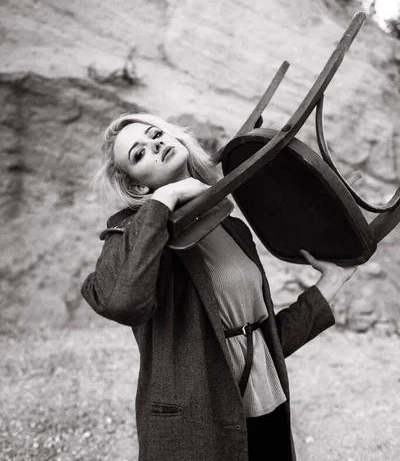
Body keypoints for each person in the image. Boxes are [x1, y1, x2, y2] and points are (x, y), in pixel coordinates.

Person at [81, 112, 357, 461]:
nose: (155, 145)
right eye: (139, 154)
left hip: (266, 411)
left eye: (156, 134)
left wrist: (329, 285)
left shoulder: (233, 229)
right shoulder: (133, 237)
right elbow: (122, 301)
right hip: (196, 428)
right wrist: (165, 199)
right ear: (137, 186)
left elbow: (261, 341)